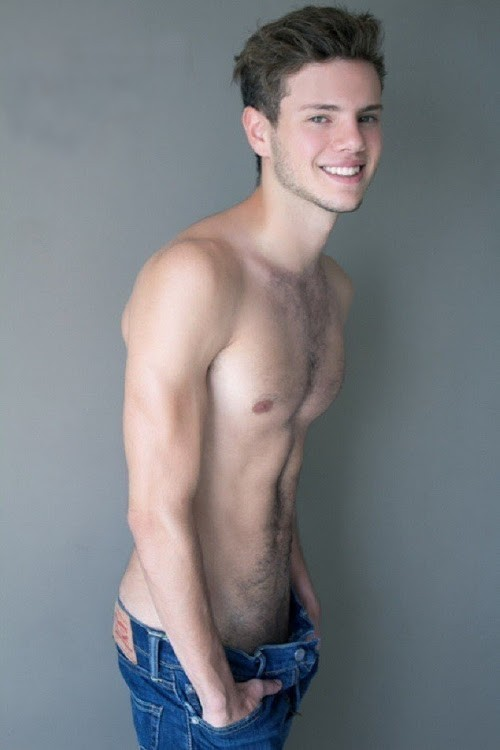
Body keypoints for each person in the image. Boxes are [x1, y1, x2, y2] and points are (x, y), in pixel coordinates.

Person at [113, 5, 385, 748]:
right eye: (320, 117)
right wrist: (215, 694)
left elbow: (270, 451)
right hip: (192, 667)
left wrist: (295, 581)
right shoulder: (195, 276)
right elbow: (154, 508)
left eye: (366, 117)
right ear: (259, 131)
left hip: (279, 643)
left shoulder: (333, 288)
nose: (352, 141)